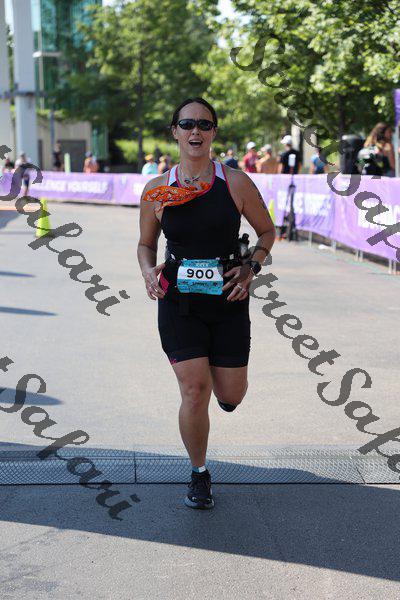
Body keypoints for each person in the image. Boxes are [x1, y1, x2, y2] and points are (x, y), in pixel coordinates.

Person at [137, 97, 275, 510]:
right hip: (178, 299)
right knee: (194, 390)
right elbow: (146, 244)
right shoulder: (157, 189)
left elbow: (267, 232)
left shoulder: (235, 182)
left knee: (230, 395)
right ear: (175, 132)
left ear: (213, 132)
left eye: (204, 124)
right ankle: (199, 473)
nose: (195, 131)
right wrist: (147, 271)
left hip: (228, 297)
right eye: (187, 124)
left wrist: (251, 267)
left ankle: (220, 378)